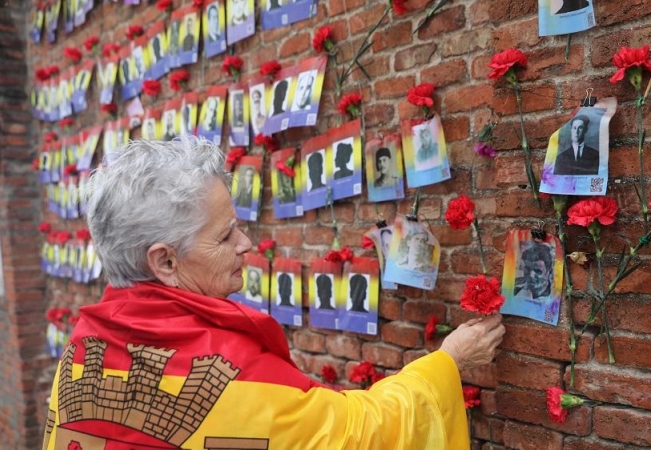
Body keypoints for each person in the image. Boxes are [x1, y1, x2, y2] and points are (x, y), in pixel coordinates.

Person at [43, 136, 504, 448]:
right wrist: (449, 363)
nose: (246, 246)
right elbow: (360, 434)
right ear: (166, 262)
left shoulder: (80, 356)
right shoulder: (227, 374)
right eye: (225, 237)